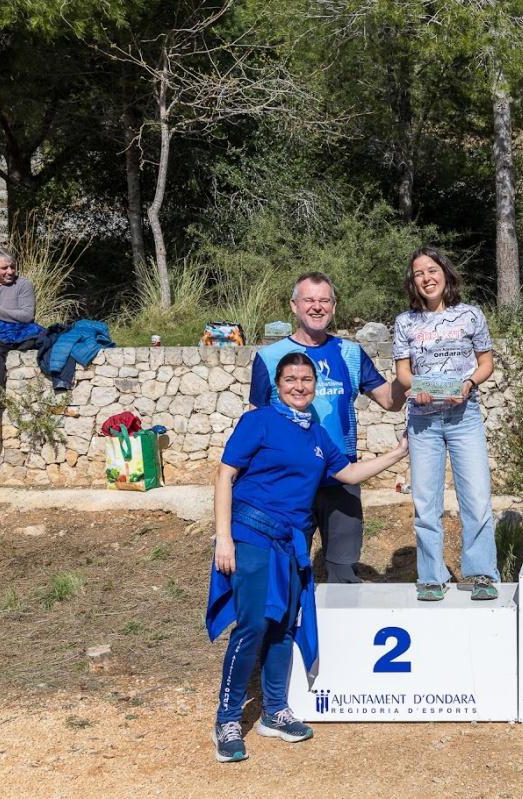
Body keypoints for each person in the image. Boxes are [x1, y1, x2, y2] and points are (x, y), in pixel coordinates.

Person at [208, 351, 408, 763]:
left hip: (292, 542)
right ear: (277, 385)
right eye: (290, 379)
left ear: (315, 386)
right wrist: (223, 538)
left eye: (306, 380)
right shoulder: (258, 421)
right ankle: (227, 720)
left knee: (284, 625)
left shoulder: (316, 434)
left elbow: (347, 473)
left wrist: (398, 453)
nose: (299, 386)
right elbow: (225, 475)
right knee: (252, 625)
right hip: (252, 534)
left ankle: (274, 712)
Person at [249, 272, 407, 583]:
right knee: (286, 571)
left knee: (343, 571)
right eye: (309, 300)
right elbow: (255, 423)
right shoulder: (268, 358)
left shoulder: (350, 353)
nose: (317, 306)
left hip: (342, 477)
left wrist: (406, 377)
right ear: (294, 305)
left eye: (324, 300)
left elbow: (390, 401)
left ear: (334, 307)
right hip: (288, 480)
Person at [393, 246, 500, 601]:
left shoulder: (470, 315)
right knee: (425, 503)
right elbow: (403, 373)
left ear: (445, 273)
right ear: (413, 282)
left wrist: (468, 383)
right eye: (418, 273)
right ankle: (431, 576)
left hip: (464, 417)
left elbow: (486, 364)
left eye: (432, 270)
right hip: (423, 422)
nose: (426, 278)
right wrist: (416, 388)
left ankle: (481, 573)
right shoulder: (404, 322)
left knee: (477, 499)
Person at [0, 247, 40, 431]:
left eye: (12, 266)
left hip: (14, 333)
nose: (10, 271)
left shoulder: (23, 285)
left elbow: (27, 316)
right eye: (4, 268)